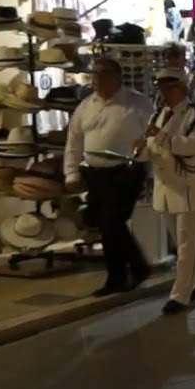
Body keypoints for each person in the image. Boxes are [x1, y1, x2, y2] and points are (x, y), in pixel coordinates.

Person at [64, 58, 156, 296]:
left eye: (102, 73)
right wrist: (71, 172)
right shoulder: (86, 106)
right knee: (106, 224)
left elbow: (153, 136)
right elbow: (74, 141)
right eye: (94, 73)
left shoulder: (137, 103)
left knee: (111, 222)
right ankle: (137, 266)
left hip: (126, 170)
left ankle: (118, 276)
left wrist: (150, 166)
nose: (97, 78)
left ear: (117, 76)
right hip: (96, 172)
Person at [134, 67, 195, 314]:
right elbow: (152, 149)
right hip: (167, 190)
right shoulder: (158, 115)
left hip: (193, 191)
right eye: (161, 86)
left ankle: (180, 295)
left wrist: (161, 137)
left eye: (170, 86)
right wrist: (139, 150)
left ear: (182, 88)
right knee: (187, 244)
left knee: (186, 246)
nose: (164, 91)